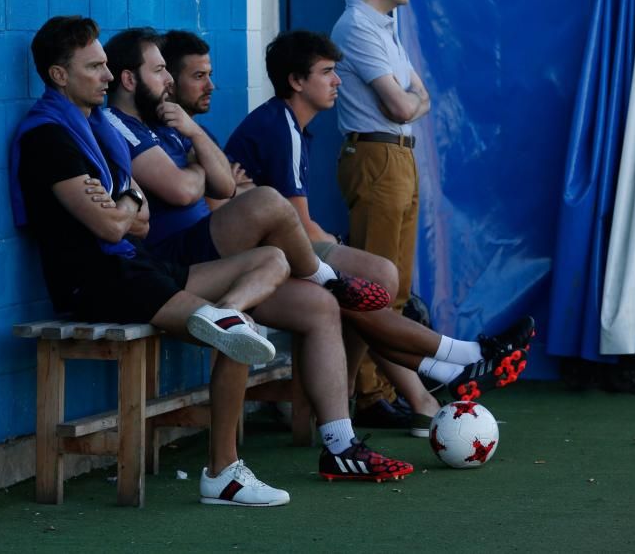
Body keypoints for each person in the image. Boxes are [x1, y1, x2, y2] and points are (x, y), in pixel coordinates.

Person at [101, 26, 415, 482]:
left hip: (215, 259)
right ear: (129, 80)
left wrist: (192, 138)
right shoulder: (118, 125)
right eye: (161, 70)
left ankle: (340, 444)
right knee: (268, 201)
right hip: (172, 265)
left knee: (320, 306)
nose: (170, 79)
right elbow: (184, 186)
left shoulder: (170, 127)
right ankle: (334, 281)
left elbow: (223, 185)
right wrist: (197, 168)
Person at [10, 15, 292, 507]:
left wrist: (124, 204)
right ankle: (223, 471)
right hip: (96, 282)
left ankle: (228, 316)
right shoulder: (47, 137)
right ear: (59, 75)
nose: (105, 75)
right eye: (94, 66)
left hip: (138, 268)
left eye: (105, 65)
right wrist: (126, 206)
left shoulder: (98, 129)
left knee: (271, 261)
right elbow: (113, 226)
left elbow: (134, 219)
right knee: (239, 334)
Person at [224, 30, 534, 409]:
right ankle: (465, 357)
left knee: (373, 284)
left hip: (277, 252)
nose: (337, 80)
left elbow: (294, 221)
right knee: (373, 281)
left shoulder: (292, 126)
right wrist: (335, 245)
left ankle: (443, 371)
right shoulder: (279, 126)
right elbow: (300, 225)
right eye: (326, 72)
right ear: (296, 81)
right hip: (255, 261)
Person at [330, 0, 438, 421]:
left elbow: (422, 96)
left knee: (397, 284)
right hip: (376, 155)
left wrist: (411, 103)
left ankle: (380, 389)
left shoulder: (383, 28)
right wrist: (411, 104)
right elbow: (403, 105)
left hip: (399, 156)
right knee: (374, 284)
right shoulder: (356, 27)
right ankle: (368, 395)